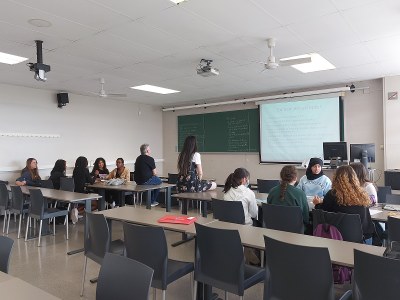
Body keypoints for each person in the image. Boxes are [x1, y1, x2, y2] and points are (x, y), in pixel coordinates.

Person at [313, 165, 375, 244]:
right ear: (354, 178)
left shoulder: (332, 194)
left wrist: (317, 204)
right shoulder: (362, 194)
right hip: (364, 239)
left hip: (339, 238)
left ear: (336, 178)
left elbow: (323, 214)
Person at [72, 156, 95, 224]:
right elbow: (91, 181)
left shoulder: (75, 170)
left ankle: (75, 211)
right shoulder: (85, 170)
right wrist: (95, 175)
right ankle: (77, 212)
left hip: (75, 192)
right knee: (96, 204)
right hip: (82, 193)